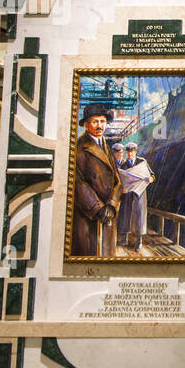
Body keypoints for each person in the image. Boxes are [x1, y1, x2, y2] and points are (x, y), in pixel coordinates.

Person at [72, 103, 122, 256]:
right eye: (95, 122)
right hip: (89, 217)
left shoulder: (105, 146)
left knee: (107, 258)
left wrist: (112, 205)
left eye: (102, 121)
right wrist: (98, 208)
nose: (99, 126)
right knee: (88, 257)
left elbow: (118, 181)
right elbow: (78, 182)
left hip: (108, 215)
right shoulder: (80, 147)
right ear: (86, 125)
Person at [119, 142, 154, 251]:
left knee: (140, 217)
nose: (130, 154)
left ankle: (139, 241)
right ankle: (124, 238)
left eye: (132, 151)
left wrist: (150, 179)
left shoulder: (142, 162)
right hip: (128, 194)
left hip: (140, 194)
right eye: (128, 152)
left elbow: (152, 174)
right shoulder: (123, 166)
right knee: (126, 215)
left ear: (135, 152)